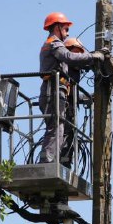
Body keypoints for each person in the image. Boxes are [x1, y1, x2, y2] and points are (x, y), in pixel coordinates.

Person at [38, 12, 105, 164]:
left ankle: (60, 161)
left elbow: (73, 63)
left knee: (61, 128)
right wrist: (93, 56)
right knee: (56, 127)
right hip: (52, 91)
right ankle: (47, 161)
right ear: (57, 27)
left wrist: (89, 61)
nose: (67, 33)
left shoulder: (53, 44)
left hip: (55, 91)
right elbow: (69, 57)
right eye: (66, 29)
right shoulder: (54, 44)